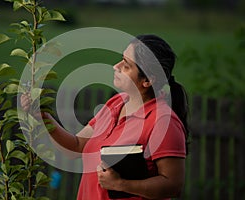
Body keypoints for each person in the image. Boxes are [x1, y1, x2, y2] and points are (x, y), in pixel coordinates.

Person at [21, 34, 189, 200]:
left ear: (147, 80)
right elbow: (76, 147)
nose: (116, 66)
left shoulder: (163, 121)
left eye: (126, 65)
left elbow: (173, 186)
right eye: (121, 59)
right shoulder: (116, 103)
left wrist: (121, 184)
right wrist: (42, 116)